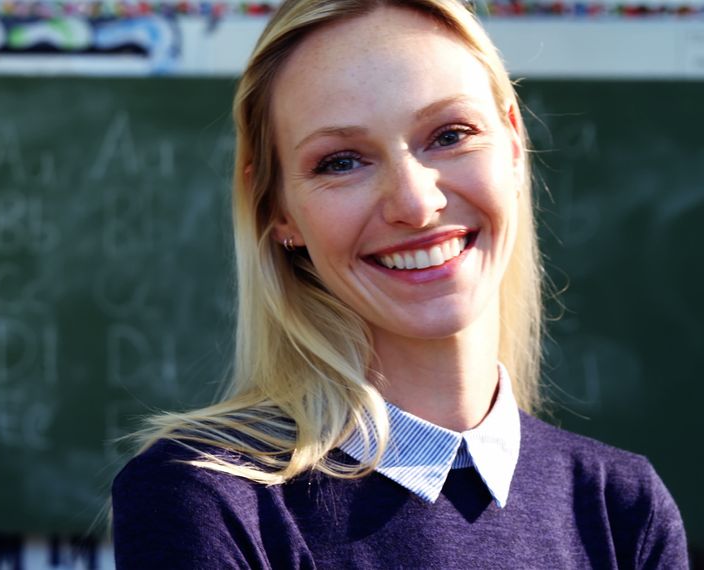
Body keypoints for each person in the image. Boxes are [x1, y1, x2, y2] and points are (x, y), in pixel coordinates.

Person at [110, 0, 689, 567]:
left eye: (450, 134)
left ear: (514, 144)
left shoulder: (622, 509)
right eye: (341, 162)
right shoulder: (210, 500)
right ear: (278, 211)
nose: (416, 204)